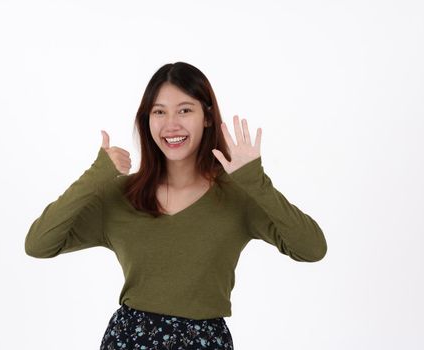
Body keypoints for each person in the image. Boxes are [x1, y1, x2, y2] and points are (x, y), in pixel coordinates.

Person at [25, 61, 328, 349]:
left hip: (205, 341)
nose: (171, 125)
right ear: (147, 120)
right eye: (159, 112)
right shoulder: (122, 196)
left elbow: (311, 248)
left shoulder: (239, 195)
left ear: (207, 116)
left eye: (184, 110)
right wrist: (96, 176)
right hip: (129, 340)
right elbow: (39, 244)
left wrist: (255, 182)